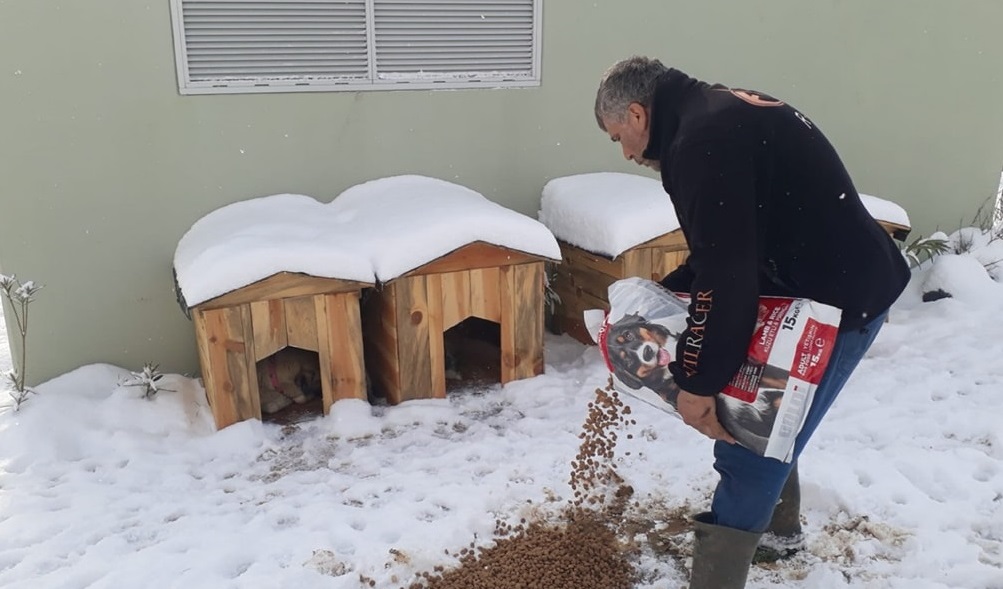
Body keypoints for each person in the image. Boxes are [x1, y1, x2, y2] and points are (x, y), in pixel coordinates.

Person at [594, 56, 911, 588]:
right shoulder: (713, 113)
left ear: (636, 113)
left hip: (838, 300)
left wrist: (697, 382)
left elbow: (728, 273)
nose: (625, 152)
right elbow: (725, 246)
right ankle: (778, 532)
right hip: (827, 280)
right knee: (765, 420)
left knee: (751, 435)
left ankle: (719, 575)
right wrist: (660, 295)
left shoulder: (701, 142)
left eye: (617, 136)